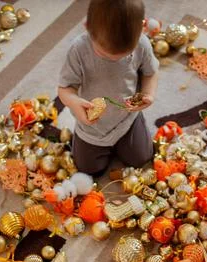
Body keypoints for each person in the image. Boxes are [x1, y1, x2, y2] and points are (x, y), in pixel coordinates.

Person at [58, 0, 159, 176]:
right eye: (104, 54)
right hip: (92, 127)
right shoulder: (78, 50)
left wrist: (148, 94)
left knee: (142, 159)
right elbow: (65, 89)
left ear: (143, 27)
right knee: (88, 169)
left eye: (125, 54)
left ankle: (130, 135)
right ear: (87, 27)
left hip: (127, 118)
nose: (114, 59)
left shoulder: (142, 43)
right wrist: (74, 103)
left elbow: (150, 73)